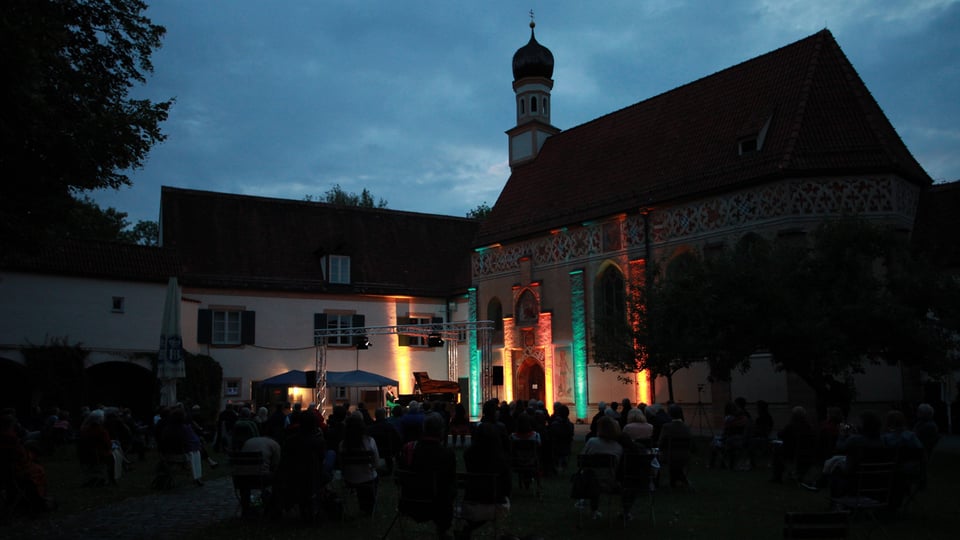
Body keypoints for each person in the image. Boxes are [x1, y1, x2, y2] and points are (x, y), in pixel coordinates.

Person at [398, 412, 457, 539]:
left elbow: (401, 475)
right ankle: (442, 530)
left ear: (424, 429)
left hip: (410, 502)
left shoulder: (409, 449)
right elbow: (450, 481)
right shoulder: (447, 454)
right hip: (437, 506)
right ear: (441, 431)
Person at [460, 421, 512, 539]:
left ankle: (469, 527)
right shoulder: (501, 459)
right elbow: (507, 487)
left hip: (471, 504)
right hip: (494, 505)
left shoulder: (469, 455)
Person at [579, 415, 623, 519]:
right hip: (609, 481)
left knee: (591, 473)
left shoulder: (592, 442)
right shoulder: (618, 447)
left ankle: (591, 508)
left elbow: (582, 459)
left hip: (589, 482)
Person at [338, 413, 379, 515]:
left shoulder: (342, 444)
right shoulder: (370, 441)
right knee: (373, 479)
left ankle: (364, 504)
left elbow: (341, 465)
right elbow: (376, 463)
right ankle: (368, 505)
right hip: (368, 478)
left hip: (350, 479)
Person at [770, 406, 817, 483]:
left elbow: (781, 434)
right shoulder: (808, 426)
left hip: (792, 452)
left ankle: (777, 476)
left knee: (777, 450)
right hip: (805, 452)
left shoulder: (791, 426)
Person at [239, 434, 282, 517]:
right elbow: (276, 465)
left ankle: (246, 509)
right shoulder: (274, 444)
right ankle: (274, 506)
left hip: (241, 479)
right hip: (261, 478)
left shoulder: (249, 441)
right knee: (279, 479)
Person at [657, 404, 693, 488]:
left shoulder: (666, 427)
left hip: (670, 456)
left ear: (670, 414)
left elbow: (661, 443)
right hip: (685, 455)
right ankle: (680, 479)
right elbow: (692, 444)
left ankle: (677, 480)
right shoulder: (686, 427)